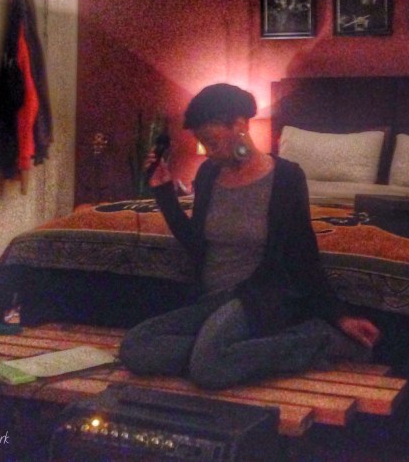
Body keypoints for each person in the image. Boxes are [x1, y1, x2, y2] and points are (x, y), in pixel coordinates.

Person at [119, 83, 381, 389]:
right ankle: (225, 353)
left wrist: (339, 316)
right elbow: (197, 243)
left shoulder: (286, 178)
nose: (209, 152)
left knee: (208, 369)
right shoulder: (208, 174)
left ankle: (321, 340)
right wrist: (164, 193)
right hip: (212, 300)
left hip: (257, 299)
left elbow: (303, 255)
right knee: (135, 347)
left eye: (212, 142)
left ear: (240, 125)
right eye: (203, 144)